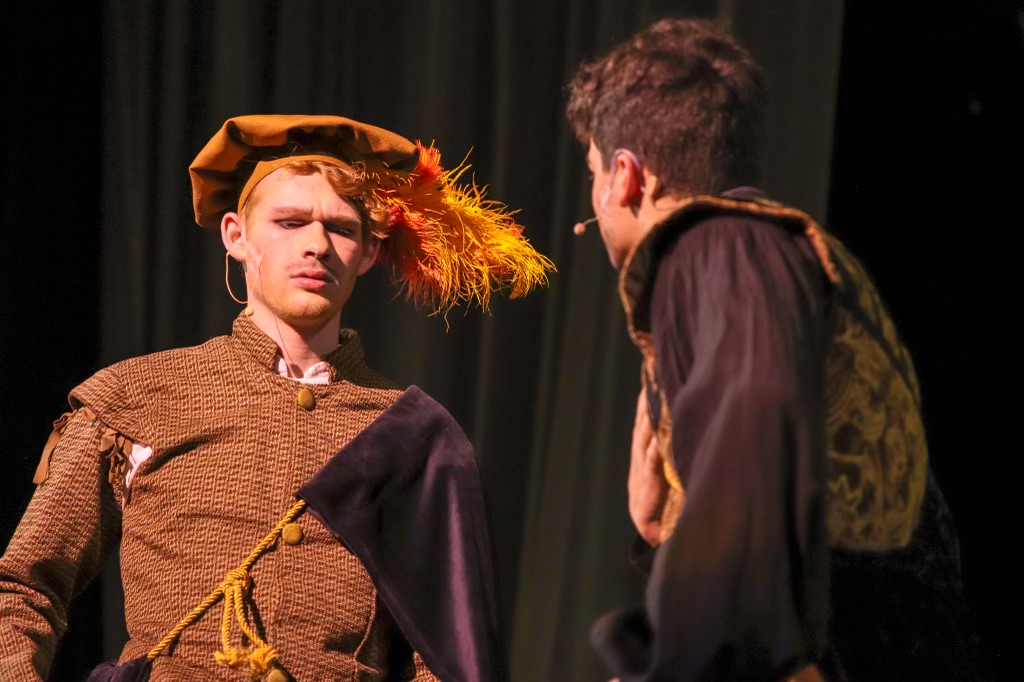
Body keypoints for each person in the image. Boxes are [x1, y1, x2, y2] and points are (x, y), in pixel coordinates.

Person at [0, 115, 553, 682]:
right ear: (237, 236)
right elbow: (24, 586)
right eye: (290, 222)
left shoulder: (411, 434)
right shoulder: (137, 398)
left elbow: (442, 657)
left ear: (367, 252)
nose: (317, 245)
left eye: (341, 228)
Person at [567, 18, 983, 682]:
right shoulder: (778, 251)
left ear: (625, 176)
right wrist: (663, 529)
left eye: (591, 173)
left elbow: (754, 424)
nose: (589, 209)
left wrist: (694, 661)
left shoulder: (720, 247)